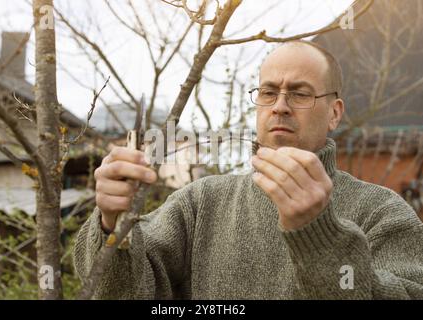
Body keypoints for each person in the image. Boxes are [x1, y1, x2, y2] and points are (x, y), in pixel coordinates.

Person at [73, 40, 423, 299]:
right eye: (268, 92)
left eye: (300, 94)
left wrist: (319, 234)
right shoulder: (200, 203)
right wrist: (111, 224)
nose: (280, 107)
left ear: (335, 112)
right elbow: (118, 292)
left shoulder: (383, 213)